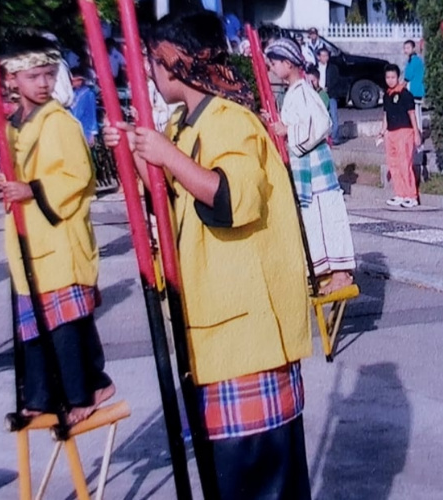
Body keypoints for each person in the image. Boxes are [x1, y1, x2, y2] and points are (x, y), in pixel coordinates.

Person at [104, 11, 312, 498]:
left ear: (175, 63)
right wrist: (136, 152)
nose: (153, 75)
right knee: (227, 477)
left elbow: (230, 199)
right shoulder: (183, 124)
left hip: (248, 334)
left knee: (260, 480)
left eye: (155, 63)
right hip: (217, 328)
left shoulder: (230, 121)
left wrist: (166, 156)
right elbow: (175, 194)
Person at [0, 34, 115, 425]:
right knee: (34, 327)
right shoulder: (12, 125)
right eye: (34, 76)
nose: (43, 84)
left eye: (48, 75)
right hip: (30, 237)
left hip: (58, 235)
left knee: (66, 325)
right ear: (13, 78)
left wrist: (31, 189)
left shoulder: (60, 122)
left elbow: (80, 176)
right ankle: (40, 396)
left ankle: (84, 392)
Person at [265, 38, 356, 294]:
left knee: (326, 217)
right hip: (305, 166)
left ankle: (340, 273)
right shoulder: (293, 92)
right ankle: (324, 270)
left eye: (274, 62)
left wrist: (288, 130)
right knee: (313, 219)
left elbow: (320, 122)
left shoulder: (304, 91)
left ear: (288, 63)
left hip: (315, 167)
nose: (271, 67)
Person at [380, 64, 421, 208]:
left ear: (398, 77)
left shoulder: (405, 94)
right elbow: (385, 114)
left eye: (393, 77)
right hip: (390, 132)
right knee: (393, 163)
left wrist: (416, 133)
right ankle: (400, 194)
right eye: (388, 77)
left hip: (404, 132)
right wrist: (382, 131)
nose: (390, 80)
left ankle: (412, 195)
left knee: (405, 163)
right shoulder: (386, 95)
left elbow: (412, 114)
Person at [317, 48, 341, 144]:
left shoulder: (333, 68)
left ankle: (335, 138)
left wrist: (328, 88)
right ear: (318, 57)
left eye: (326, 56)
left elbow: (336, 80)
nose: (325, 58)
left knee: (334, 115)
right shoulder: (316, 67)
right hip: (319, 94)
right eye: (323, 56)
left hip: (330, 94)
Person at [70, 67, 98, 146]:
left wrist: (92, 132)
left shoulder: (88, 93)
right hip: (73, 126)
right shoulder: (72, 93)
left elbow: (92, 113)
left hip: (85, 128)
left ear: (80, 81)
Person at [403, 40, 425, 133]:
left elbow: (407, 76)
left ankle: (418, 137)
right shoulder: (413, 60)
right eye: (404, 48)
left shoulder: (414, 61)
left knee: (415, 116)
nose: (406, 50)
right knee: (416, 114)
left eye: (408, 48)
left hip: (414, 91)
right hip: (416, 90)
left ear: (413, 48)